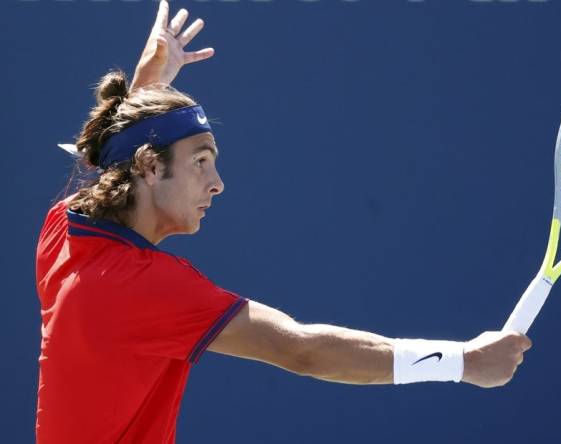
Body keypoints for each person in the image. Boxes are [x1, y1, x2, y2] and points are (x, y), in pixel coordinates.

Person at [35, 1, 531, 442]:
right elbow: (302, 350)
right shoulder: (140, 289)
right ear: (149, 165)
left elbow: (115, 160)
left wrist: (149, 86)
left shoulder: (63, 231)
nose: (217, 183)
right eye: (201, 161)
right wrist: (464, 362)